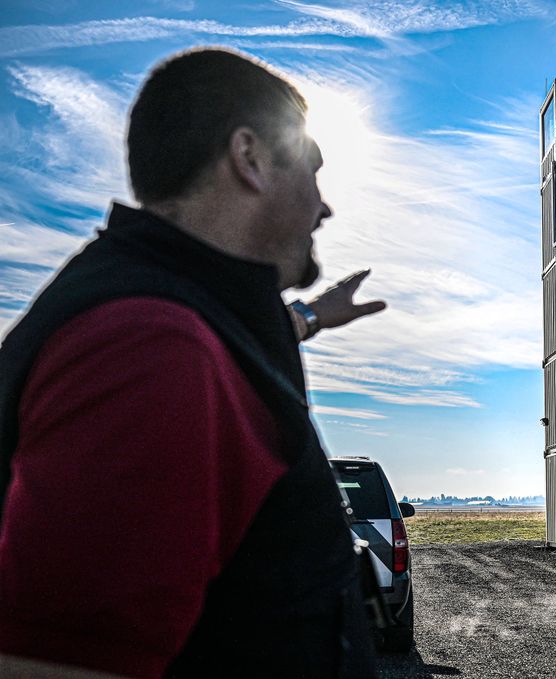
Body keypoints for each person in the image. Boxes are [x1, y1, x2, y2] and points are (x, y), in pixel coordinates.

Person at [0, 48, 386, 677]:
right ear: (250, 158)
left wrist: (313, 317)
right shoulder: (145, 348)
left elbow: (226, 350)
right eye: (314, 171)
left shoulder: (170, 313)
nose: (325, 206)